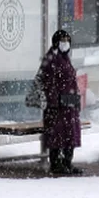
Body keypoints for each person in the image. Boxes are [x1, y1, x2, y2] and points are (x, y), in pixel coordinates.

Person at [40, 29, 82, 176]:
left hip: (68, 104)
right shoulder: (52, 59)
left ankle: (67, 162)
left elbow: (71, 81)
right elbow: (47, 83)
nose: (65, 43)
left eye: (67, 40)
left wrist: (75, 99)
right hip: (57, 106)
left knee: (69, 135)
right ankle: (56, 163)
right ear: (56, 42)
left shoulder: (65, 58)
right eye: (62, 40)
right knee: (57, 135)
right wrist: (54, 101)